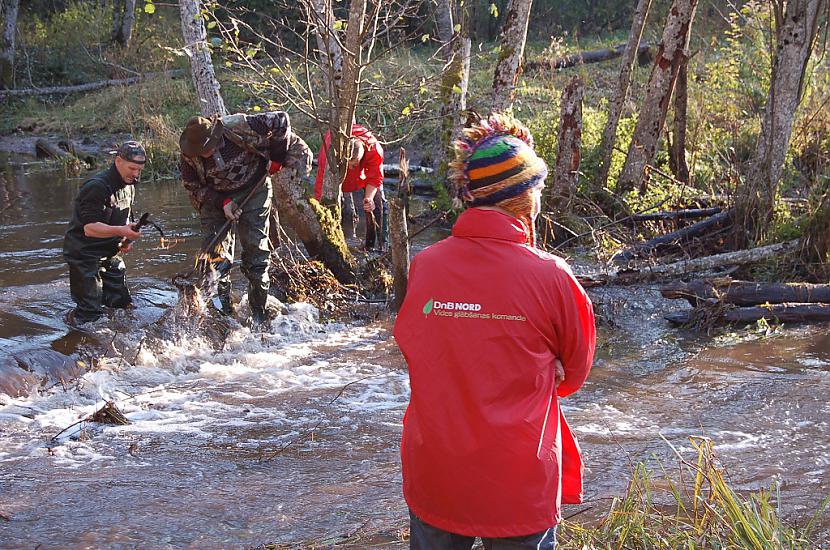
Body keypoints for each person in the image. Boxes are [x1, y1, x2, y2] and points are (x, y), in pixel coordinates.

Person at [393, 114, 596, 549]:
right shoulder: (552, 276)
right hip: (516, 476)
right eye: (536, 188)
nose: (539, 197)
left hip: (436, 469)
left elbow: (413, 346)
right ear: (523, 199)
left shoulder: (426, 264)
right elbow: (576, 374)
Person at [179, 111, 310, 327]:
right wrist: (223, 203)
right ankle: (225, 316)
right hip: (217, 197)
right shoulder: (188, 156)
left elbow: (281, 119)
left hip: (255, 187)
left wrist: (277, 158)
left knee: (256, 254)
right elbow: (194, 188)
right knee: (215, 259)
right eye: (202, 151)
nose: (207, 153)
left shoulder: (239, 126)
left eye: (209, 147)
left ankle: (259, 315)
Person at [63, 141, 146, 324]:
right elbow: (90, 228)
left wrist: (127, 237)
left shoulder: (129, 186)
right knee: (90, 314)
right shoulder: (96, 187)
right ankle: (78, 337)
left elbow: (123, 220)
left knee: (123, 306)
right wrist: (120, 230)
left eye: (139, 170)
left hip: (111, 252)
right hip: (84, 255)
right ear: (118, 161)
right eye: (132, 168)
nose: (135, 174)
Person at [313, 123, 386, 249]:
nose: (353, 167)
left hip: (363, 176)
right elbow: (321, 185)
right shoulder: (329, 154)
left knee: (378, 206)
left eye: (355, 163)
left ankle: (379, 246)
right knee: (333, 209)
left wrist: (369, 199)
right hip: (339, 175)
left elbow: (375, 178)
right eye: (350, 165)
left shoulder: (374, 149)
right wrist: (320, 212)